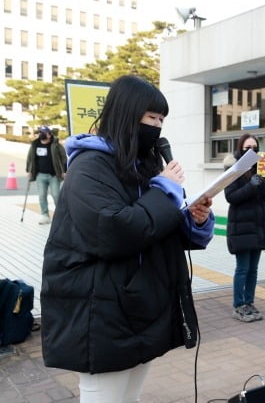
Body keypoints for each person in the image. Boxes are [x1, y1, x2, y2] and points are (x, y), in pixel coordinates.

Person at [40, 75, 215, 402]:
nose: (158, 127)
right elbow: (112, 230)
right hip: (100, 312)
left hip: (139, 307)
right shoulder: (90, 166)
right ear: (126, 113)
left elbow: (157, 225)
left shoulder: (147, 165)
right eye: (152, 117)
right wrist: (164, 190)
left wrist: (194, 217)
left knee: (129, 397)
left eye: (162, 119)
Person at [225, 134, 265, 322]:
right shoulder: (233, 169)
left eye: (254, 146)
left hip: (258, 226)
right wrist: (250, 186)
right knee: (242, 268)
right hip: (241, 226)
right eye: (247, 147)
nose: (252, 150)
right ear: (240, 148)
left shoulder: (259, 168)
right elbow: (231, 197)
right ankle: (238, 304)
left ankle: (249, 302)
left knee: (253, 269)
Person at [26, 126, 68, 225]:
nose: (41, 134)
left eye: (43, 133)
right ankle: (45, 215)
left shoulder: (56, 144)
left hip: (54, 175)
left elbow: (63, 158)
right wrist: (29, 170)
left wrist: (65, 170)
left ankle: (60, 216)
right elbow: (30, 158)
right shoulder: (35, 144)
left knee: (56, 195)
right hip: (40, 175)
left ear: (49, 134)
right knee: (42, 196)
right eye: (40, 132)